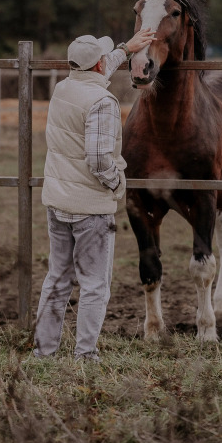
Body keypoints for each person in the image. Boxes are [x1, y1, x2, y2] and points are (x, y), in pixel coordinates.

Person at [32, 27, 154, 362]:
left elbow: (95, 70)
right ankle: (85, 355)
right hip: (90, 208)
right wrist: (117, 185)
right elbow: (100, 160)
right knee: (95, 284)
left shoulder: (63, 88)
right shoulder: (102, 102)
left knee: (57, 278)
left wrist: (124, 49)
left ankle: (44, 352)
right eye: (104, 59)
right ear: (98, 66)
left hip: (57, 202)